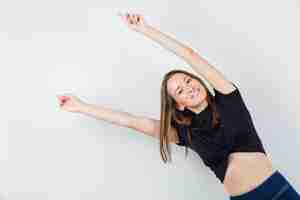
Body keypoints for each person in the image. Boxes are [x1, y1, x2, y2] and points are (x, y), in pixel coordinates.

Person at [56, 12, 300, 199]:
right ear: (179, 105)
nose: (189, 86)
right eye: (180, 90)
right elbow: (130, 121)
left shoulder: (228, 98)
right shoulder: (184, 132)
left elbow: (190, 55)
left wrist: (146, 30)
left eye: (188, 80)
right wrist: (81, 107)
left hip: (277, 191)